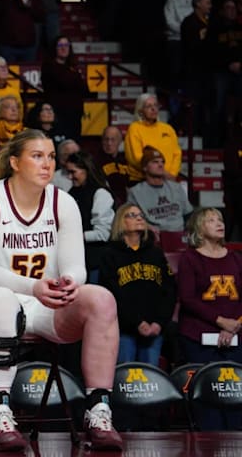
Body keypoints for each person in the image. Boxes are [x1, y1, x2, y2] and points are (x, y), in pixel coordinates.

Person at [0, 129, 123, 451]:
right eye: (37, 156)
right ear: (15, 162)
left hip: (46, 302)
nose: (47, 164)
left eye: (51, 156)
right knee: (1, 299)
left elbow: (76, 265)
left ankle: (98, 409)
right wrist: (32, 286)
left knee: (102, 299)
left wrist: (69, 281)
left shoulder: (63, 201)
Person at [176, 207, 242, 430]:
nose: (219, 223)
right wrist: (220, 321)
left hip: (235, 334)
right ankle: (208, 439)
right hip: (197, 336)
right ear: (199, 228)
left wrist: (233, 326)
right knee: (206, 390)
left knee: (234, 389)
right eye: (211, 220)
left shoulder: (236, 259)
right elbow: (187, 298)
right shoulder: (189, 258)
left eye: (220, 219)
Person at [99, 204, 175, 365]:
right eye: (132, 215)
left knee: (151, 376)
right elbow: (111, 294)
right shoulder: (109, 254)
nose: (139, 218)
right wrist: (136, 322)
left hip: (154, 329)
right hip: (124, 329)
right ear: (121, 221)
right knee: (125, 375)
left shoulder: (156, 253)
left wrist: (159, 323)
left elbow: (169, 290)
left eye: (141, 215)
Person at [64, 151, 115, 284]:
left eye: (73, 172)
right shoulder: (72, 193)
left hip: (96, 262)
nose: (70, 177)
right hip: (76, 261)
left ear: (86, 170)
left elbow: (103, 234)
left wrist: (75, 236)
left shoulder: (100, 194)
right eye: (68, 172)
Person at [127, 147, 193, 244]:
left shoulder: (176, 187)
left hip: (179, 236)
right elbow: (130, 219)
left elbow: (189, 215)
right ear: (145, 167)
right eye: (155, 162)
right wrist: (146, 227)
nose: (160, 165)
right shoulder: (135, 192)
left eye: (162, 162)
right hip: (154, 239)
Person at [125, 94, 181, 181]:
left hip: (168, 179)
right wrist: (161, 173)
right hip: (142, 179)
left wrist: (172, 174)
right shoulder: (134, 128)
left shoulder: (168, 129)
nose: (153, 108)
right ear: (141, 110)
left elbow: (177, 153)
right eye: (149, 106)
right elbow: (136, 157)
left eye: (155, 105)